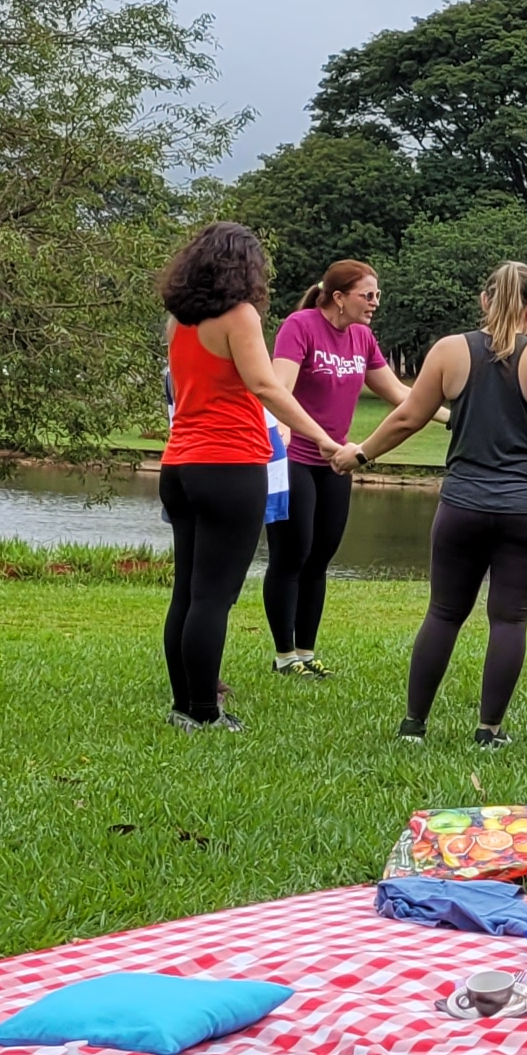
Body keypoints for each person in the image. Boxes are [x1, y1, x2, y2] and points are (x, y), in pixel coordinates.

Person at [346, 261, 527, 747]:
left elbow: (406, 418)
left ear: (484, 301)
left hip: (463, 506)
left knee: (444, 613)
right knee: (509, 618)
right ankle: (489, 731)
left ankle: (413, 726)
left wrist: (358, 454)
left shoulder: (449, 351)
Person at [155, 222, 362, 731]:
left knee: (187, 593)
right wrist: (325, 440)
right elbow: (267, 387)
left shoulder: (178, 320)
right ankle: (205, 713)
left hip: (179, 464)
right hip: (229, 464)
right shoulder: (240, 315)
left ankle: (184, 706)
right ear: (244, 267)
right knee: (213, 597)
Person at [263, 260, 406, 678]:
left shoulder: (362, 337)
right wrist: (284, 430)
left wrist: (455, 416)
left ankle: (306, 654)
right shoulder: (300, 326)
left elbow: (400, 393)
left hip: (336, 462)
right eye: (368, 295)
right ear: (339, 297)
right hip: (295, 457)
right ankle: (284, 656)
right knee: (292, 555)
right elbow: (278, 388)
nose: (375, 302)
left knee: (319, 559)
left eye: (378, 295)